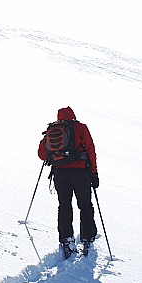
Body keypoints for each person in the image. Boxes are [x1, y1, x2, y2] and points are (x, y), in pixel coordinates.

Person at [38, 107, 99, 258]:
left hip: (60, 174)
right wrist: (94, 173)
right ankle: (87, 238)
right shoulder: (80, 128)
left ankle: (67, 240)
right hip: (80, 173)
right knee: (85, 205)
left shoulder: (52, 129)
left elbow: (41, 154)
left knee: (64, 206)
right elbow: (90, 150)